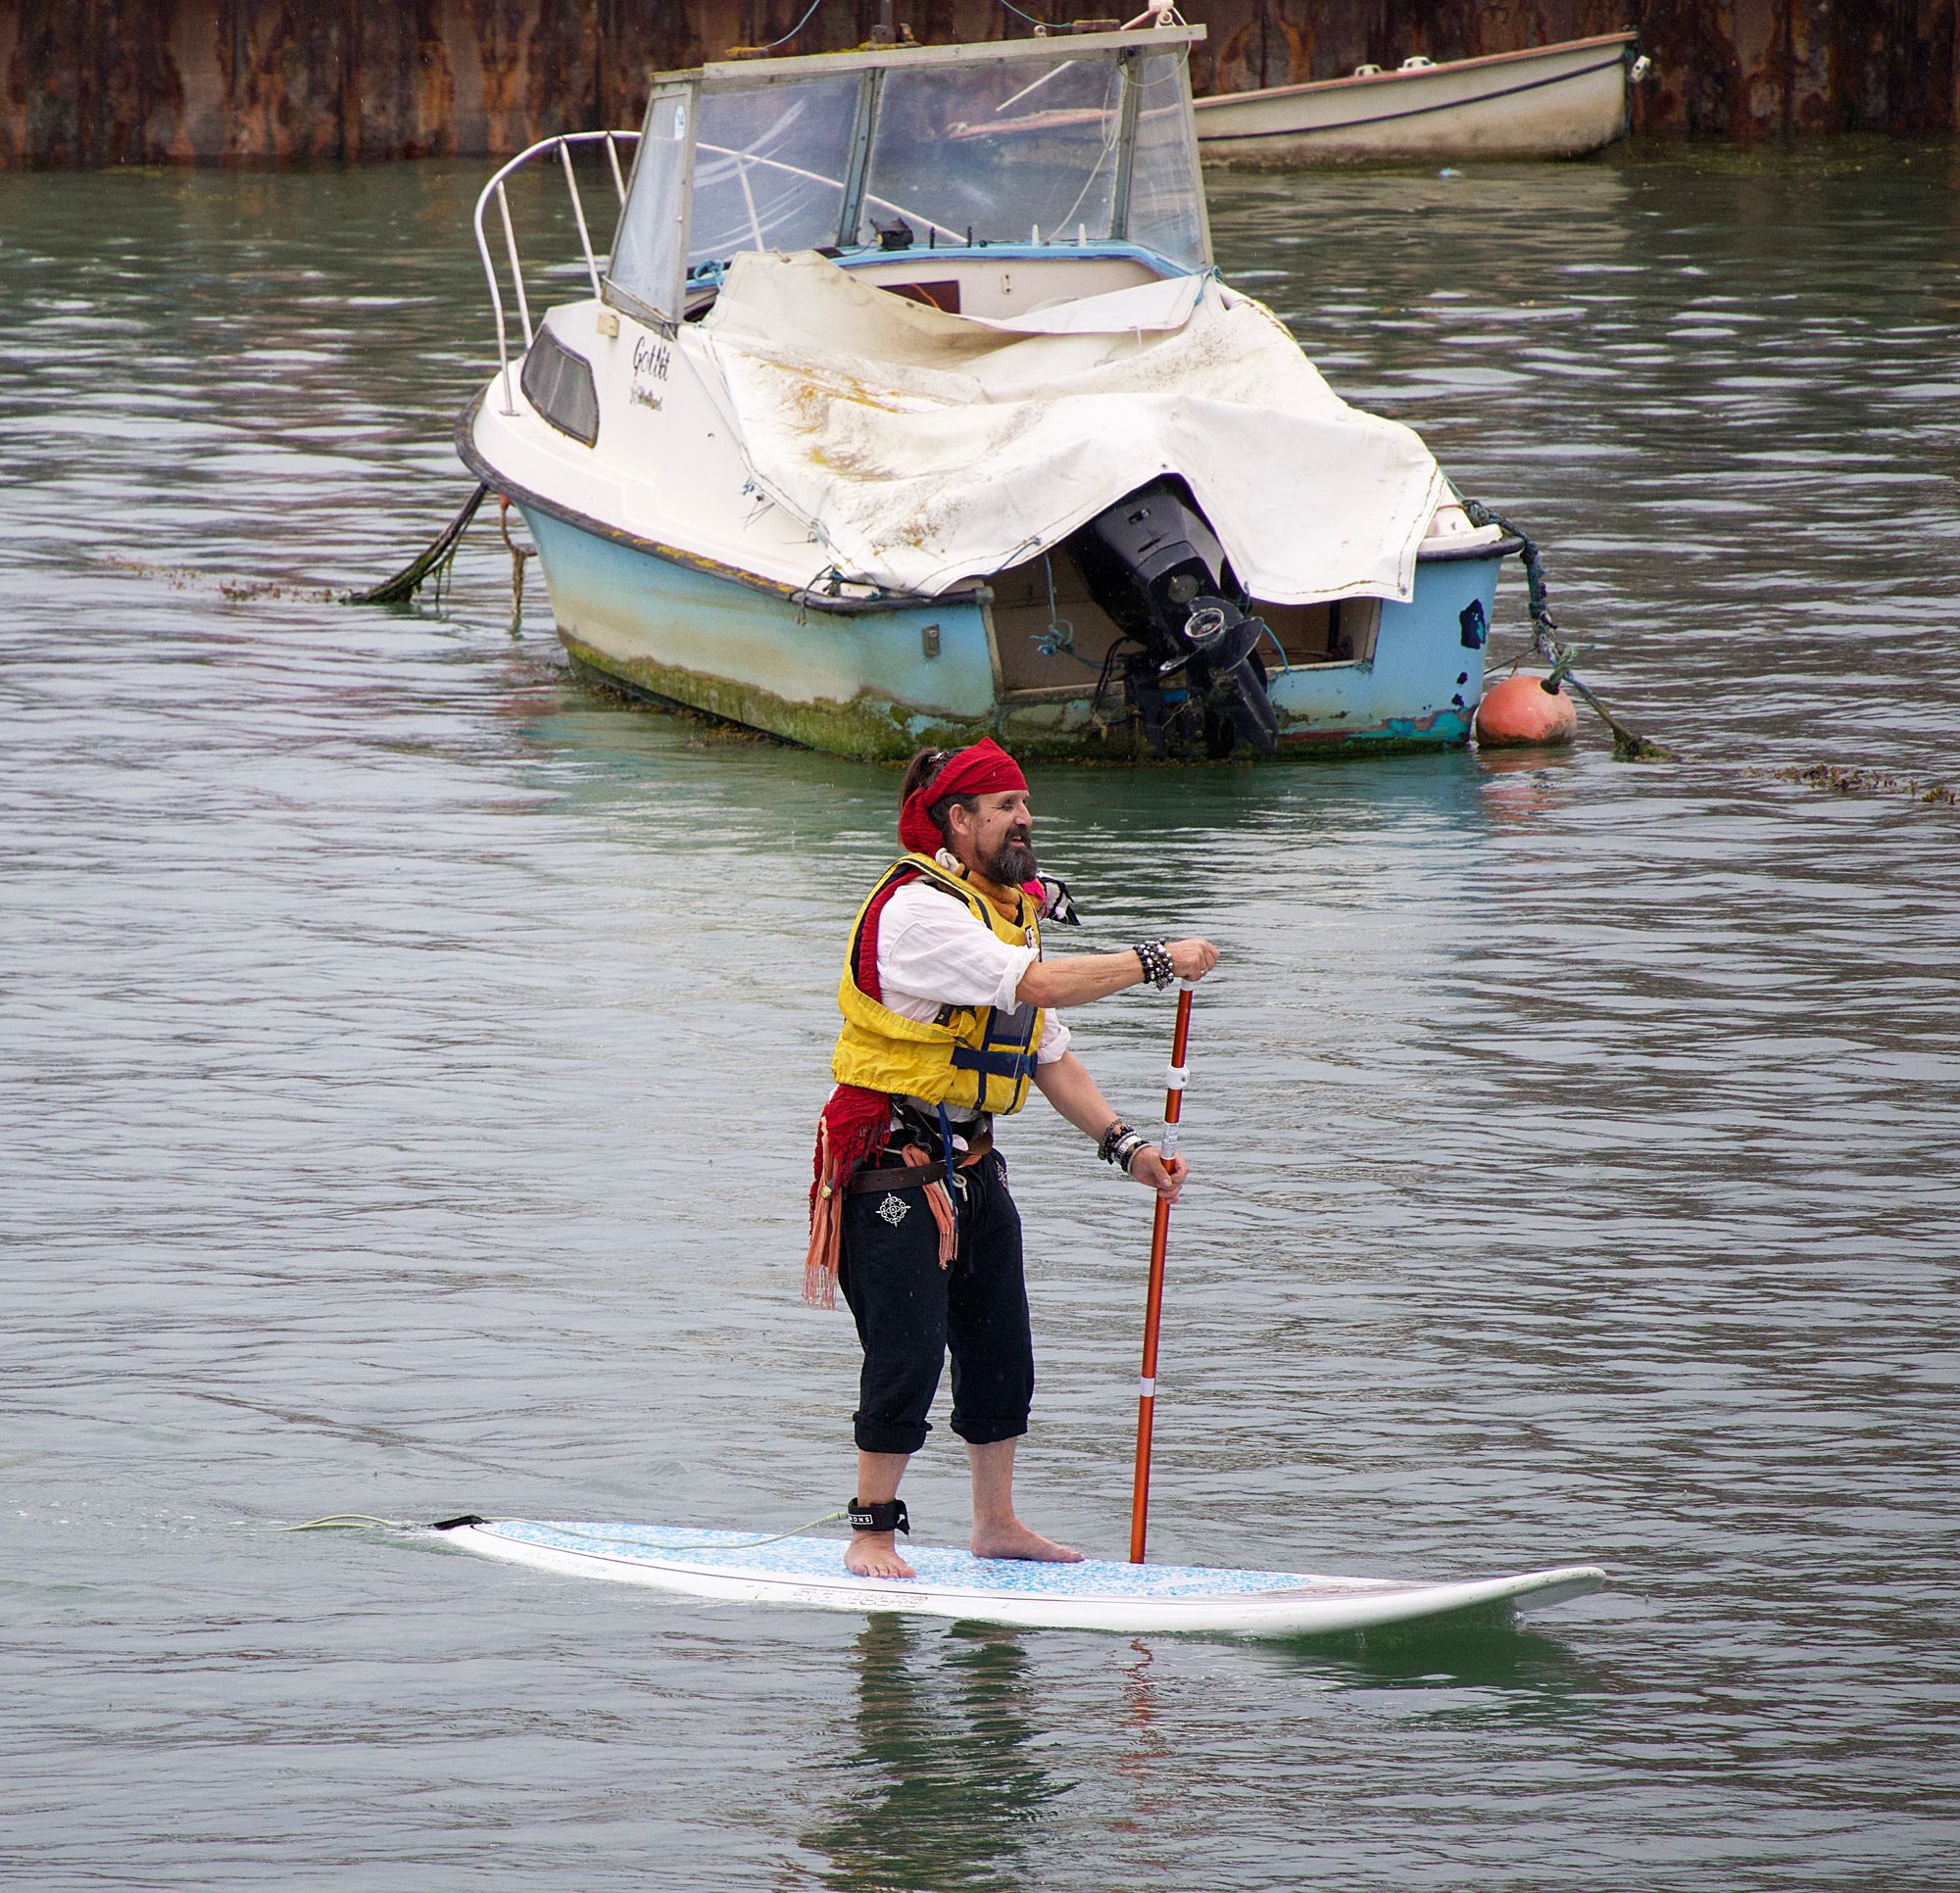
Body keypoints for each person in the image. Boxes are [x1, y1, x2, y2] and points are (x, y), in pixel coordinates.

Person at [806, 738, 1219, 1579]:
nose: (1024, 819)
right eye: (1003, 807)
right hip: (888, 1158)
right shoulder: (918, 909)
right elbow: (1033, 989)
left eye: (1025, 805)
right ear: (957, 822)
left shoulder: (1006, 913)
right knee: (909, 1352)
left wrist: (1125, 1144)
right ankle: (871, 1533)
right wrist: (1151, 961)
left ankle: (994, 1524)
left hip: (971, 1162)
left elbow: (1045, 1051)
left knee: (1002, 1350)